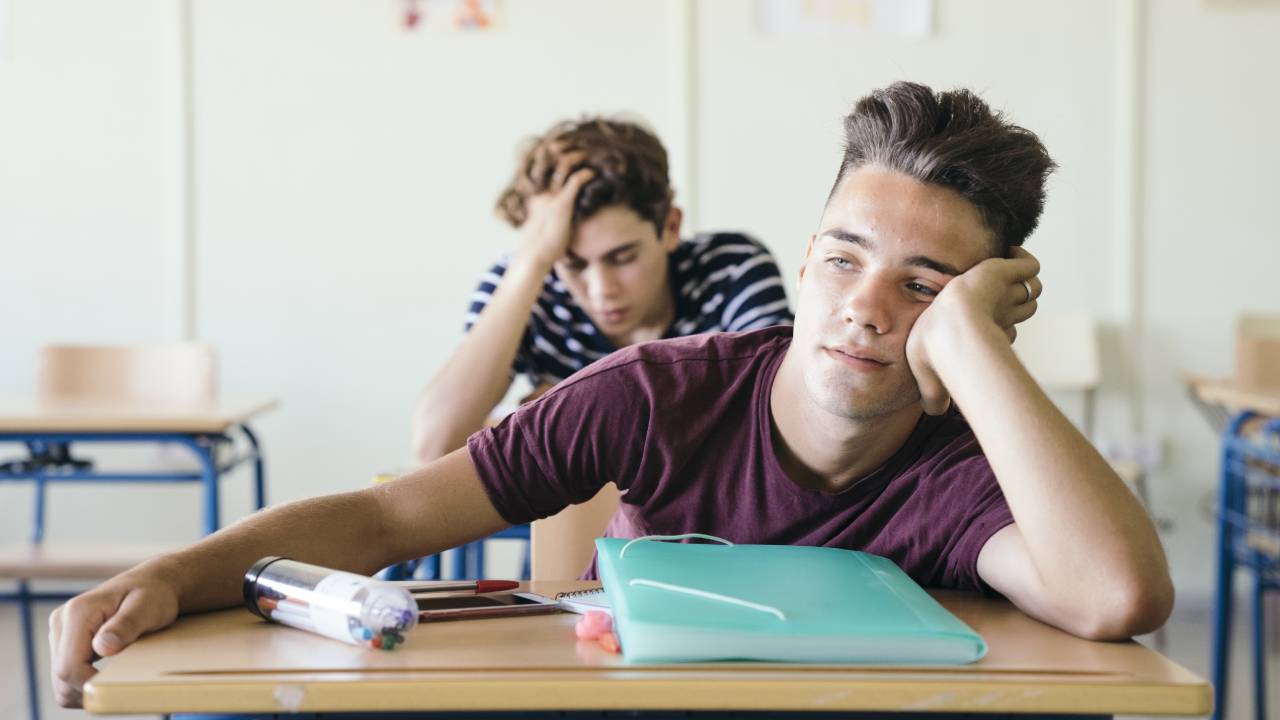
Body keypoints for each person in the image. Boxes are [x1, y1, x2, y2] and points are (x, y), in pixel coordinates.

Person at [49, 82, 1173, 709]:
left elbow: (1113, 595)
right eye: (842, 256)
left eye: (921, 284)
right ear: (798, 258)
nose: (865, 307)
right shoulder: (651, 395)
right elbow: (390, 517)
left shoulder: (957, 466)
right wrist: (168, 573)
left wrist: (973, 351)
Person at [412, 117, 793, 463]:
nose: (601, 290)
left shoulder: (731, 265)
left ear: (671, 227)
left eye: (623, 257)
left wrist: (570, 406)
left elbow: (782, 420)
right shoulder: (523, 283)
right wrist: (532, 261)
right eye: (573, 264)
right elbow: (436, 445)